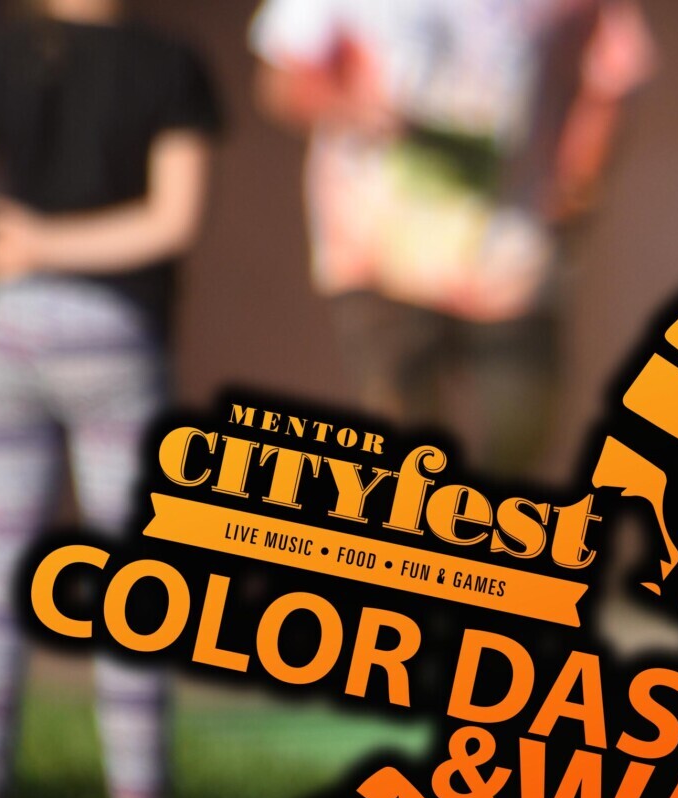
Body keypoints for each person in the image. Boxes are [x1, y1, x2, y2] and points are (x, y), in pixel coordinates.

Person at [0, 0, 216, 798]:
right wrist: (57, 246)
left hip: (9, 329)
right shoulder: (169, 65)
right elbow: (174, 220)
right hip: (115, 335)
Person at [248, 0, 654, 480]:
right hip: (377, 249)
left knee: (520, 430)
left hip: (513, 251)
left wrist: (579, 180)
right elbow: (281, 81)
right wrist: (355, 111)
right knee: (405, 445)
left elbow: (610, 77)